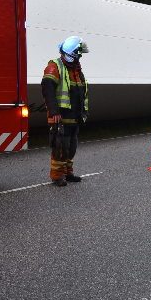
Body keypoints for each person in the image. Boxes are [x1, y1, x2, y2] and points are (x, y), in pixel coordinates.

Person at [41, 36, 89, 187]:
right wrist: (54, 111)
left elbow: (81, 92)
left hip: (74, 117)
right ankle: (57, 176)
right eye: (78, 55)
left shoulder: (76, 69)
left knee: (71, 147)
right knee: (60, 146)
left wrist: (83, 112)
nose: (79, 57)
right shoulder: (55, 67)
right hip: (60, 117)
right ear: (71, 54)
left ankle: (68, 173)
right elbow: (47, 90)